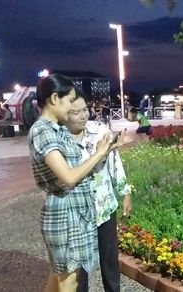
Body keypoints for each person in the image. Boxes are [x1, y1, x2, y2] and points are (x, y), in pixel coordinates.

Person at [26, 74, 120, 292]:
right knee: (69, 282)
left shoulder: (56, 129)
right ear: (54, 99)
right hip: (65, 214)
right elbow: (67, 176)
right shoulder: (43, 131)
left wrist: (106, 151)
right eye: (69, 102)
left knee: (58, 278)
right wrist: (99, 153)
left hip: (73, 212)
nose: (71, 108)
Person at [63, 90, 132, 292]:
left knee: (109, 257)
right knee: (79, 263)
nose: (84, 115)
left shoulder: (100, 131)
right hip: (77, 210)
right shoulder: (59, 138)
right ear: (65, 114)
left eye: (85, 110)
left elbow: (114, 163)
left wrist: (125, 192)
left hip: (104, 205)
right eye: (76, 112)